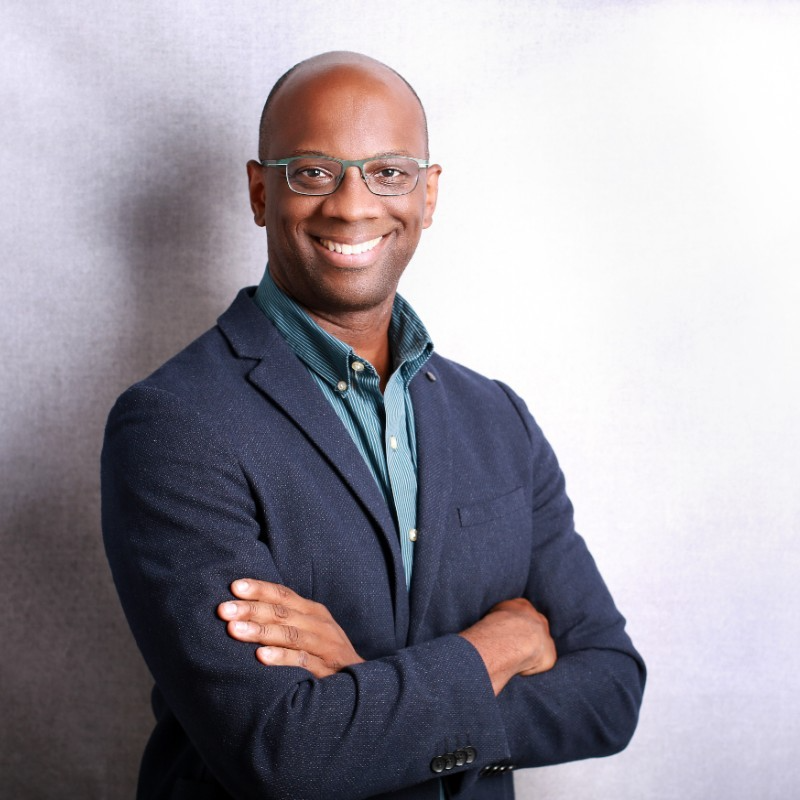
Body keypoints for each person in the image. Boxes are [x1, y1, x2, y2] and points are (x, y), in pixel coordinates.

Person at [102, 51, 645, 800]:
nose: (352, 206)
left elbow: (611, 692)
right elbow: (284, 751)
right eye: (314, 172)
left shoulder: (498, 418)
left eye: (388, 171)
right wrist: (500, 645)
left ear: (429, 194)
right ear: (261, 191)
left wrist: (359, 690)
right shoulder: (172, 426)